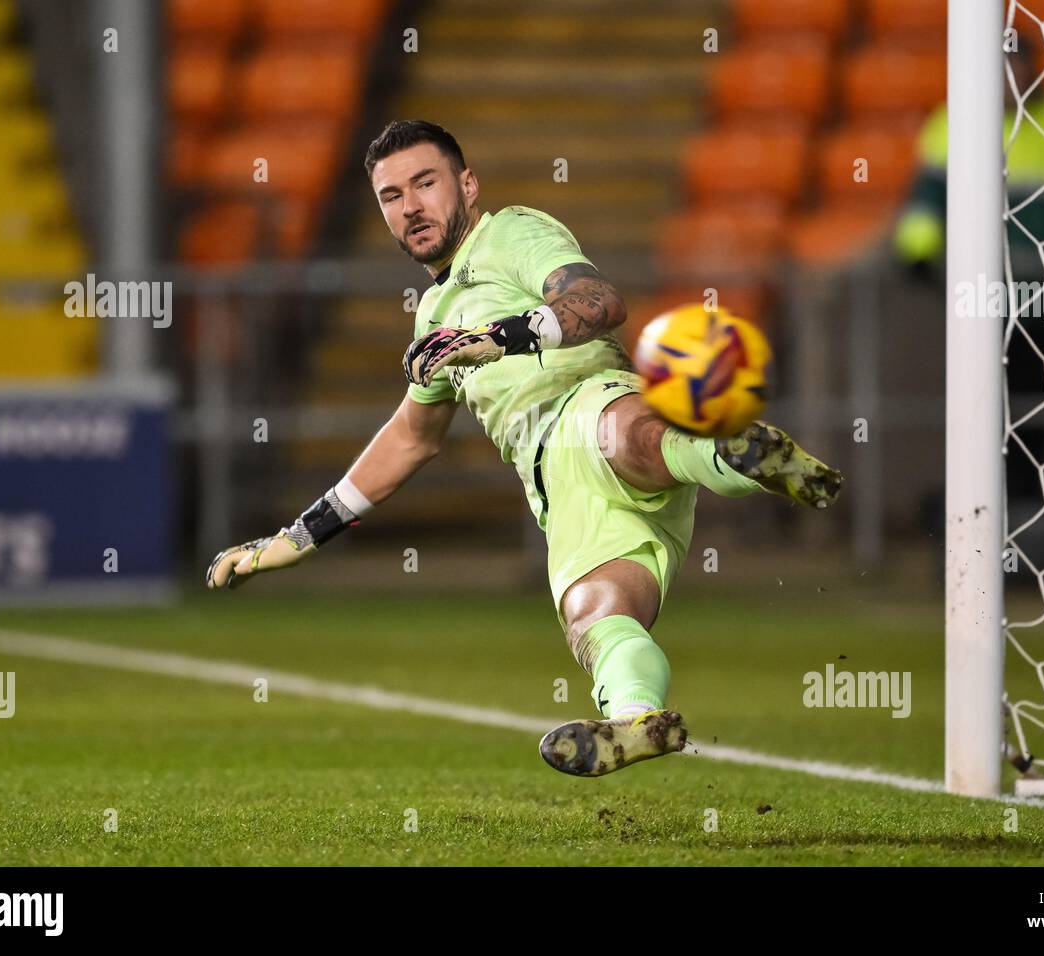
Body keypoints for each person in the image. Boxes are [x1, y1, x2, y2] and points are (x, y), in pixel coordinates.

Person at [205, 120, 843, 777]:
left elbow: (599, 299)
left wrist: (501, 337)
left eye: (426, 183)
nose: (411, 206)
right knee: (596, 617)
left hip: (590, 403)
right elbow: (410, 438)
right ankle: (638, 718)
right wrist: (298, 537)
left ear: (467, 184)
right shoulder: (432, 320)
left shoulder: (511, 233)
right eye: (392, 197)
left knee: (618, 434)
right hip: (558, 496)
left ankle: (729, 450)